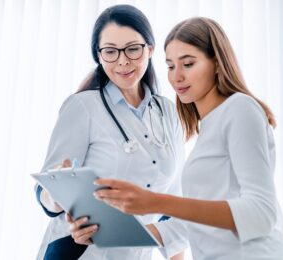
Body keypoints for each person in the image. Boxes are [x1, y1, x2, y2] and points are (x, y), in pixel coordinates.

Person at [93, 17, 283, 259]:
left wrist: (155, 202)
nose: (176, 77)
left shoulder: (240, 109)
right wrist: (106, 232)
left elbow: (261, 213)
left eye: (188, 64)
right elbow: (191, 225)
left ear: (217, 63)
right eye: (170, 66)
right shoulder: (208, 127)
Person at [34, 4, 187, 260]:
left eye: (133, 49)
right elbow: (45, 191)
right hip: (79, 251)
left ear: (149, 49)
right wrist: (59, 196)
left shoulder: (167, 112)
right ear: (99, 55)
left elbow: (172, 205)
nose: (123, 60)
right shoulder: (83, 107)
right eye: (111, 51)